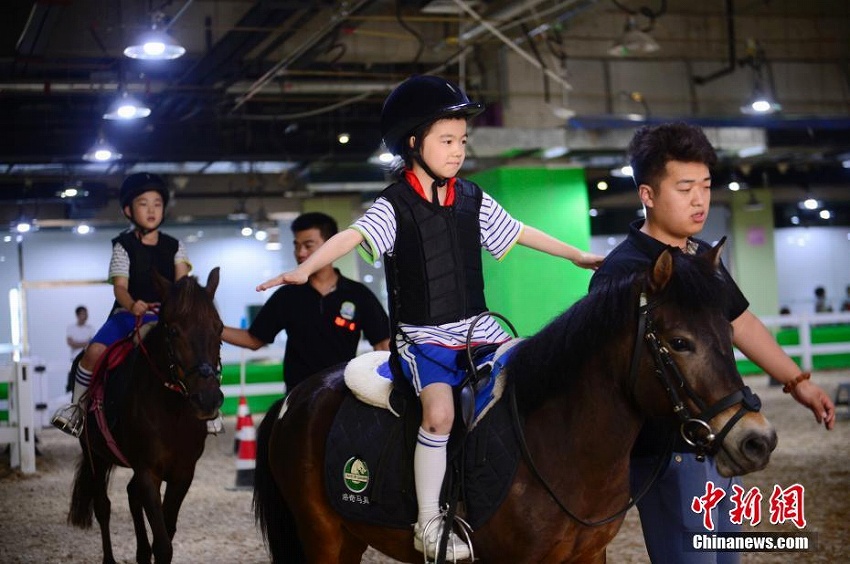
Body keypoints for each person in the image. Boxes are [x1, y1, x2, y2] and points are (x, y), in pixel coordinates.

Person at [255, 75, 603, 560]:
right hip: (424, 340)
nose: (458, 150)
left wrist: (576, 255)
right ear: (414, 143)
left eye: (462, 140)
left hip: (481, 332)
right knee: (438, 416)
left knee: (529, 390)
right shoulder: (394, 206)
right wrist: (305, 268)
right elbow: (351, 237)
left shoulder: (473, 198)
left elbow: (519, 231)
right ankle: (429, 521)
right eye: (447, 140)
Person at [589, 122, 835, 564]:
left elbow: (742, 323)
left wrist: (798, 381)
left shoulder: (702, 258)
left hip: (720, 440)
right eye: (685, 188)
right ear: (648, 194)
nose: (700, 199)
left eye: (704, 185)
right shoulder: (622, 271)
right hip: (668, 453)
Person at [50, 173, 207, 436]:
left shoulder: (176, 246)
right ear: (128, 210)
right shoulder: (123, 246)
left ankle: (207, 408)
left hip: (167, 317)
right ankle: (76, 409)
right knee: (93, 352)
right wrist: (133, 304)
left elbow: (181, 285)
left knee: (200, 349)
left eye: (157, 203)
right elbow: (120, 287)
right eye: (143, 203)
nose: (152, 210)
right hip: (127, 314)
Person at [221, 212, 390, 391]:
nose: (300, 253)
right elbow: (253, 340)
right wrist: (212, 327)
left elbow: (382, 346)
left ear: (330, 245)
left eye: (308, 245)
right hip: (297, 398)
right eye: (297, 245)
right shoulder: (287, 296)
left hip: (343, 395)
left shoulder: (358, 294)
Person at [65, 305, 94, 392]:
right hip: (74, 359)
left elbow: (91, 343)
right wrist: (85, 343)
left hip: (87, 359)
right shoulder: (71, 328)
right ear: (77, 315)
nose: (85, 316)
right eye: (83, 314)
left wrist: (77, 343)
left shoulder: (90, 329)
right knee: (72, 384)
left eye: (86, 314)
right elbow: (71, 343)